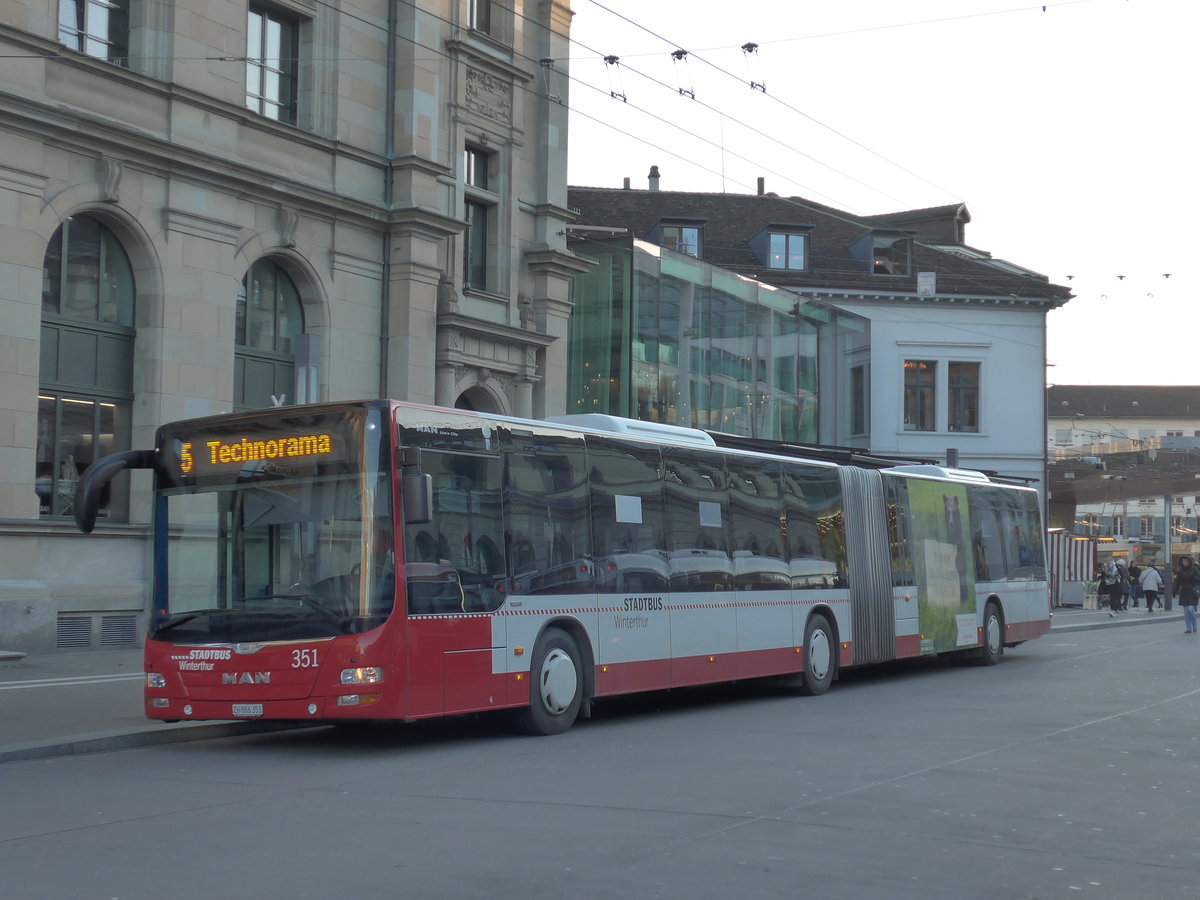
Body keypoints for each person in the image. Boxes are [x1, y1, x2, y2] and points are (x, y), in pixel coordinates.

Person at [1173, 556, 1200, 634]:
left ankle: (1194, 626)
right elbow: (1178, 582)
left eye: (1186, 561)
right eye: (1183, 561)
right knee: (1186, 611)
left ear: (1189, 561)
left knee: (1190, 610)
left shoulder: (1194, 570)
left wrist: (1195, 579)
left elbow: (1199, 579)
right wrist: (1174, 591)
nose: (1184, 562)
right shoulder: (1181, 571)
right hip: (1184, 591)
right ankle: (1188, 628)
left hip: (1192, 591)